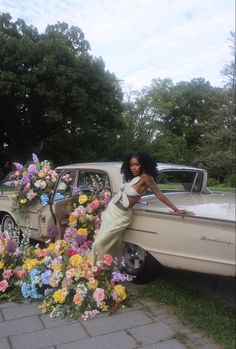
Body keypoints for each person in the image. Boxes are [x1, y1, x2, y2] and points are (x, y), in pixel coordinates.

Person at [92, 152, 194, 267]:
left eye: (137, 164)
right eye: (131, 165)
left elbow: (159, 194)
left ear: (144, 164)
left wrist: (176, 209)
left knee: (99, 244)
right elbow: (130, 194)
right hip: (112, 210)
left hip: (121, 215)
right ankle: (106, 270)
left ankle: (95, 269)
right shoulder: (135, 178)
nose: (134, 168)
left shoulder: (146, 178)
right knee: (112, 243)